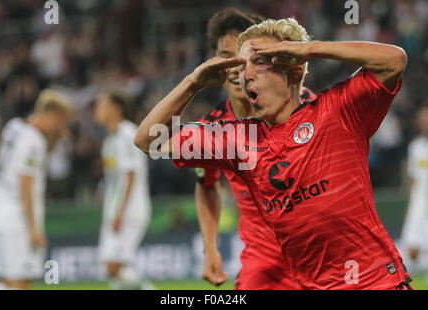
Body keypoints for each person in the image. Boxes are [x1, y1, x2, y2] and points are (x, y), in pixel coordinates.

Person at [134, 18, 411, 289]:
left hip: (378, 283)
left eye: (261, 61)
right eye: (243, 67)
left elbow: (394, 60)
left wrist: (310, 49)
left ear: (293, 68)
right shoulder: (238, 139)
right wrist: (192, 83)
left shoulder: (337, 111)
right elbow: (149, 140)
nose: (245, 75)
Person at [192, 9, 316, 289]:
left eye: (246, 58)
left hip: (315, 251)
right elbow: (205, 184)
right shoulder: (213, 129)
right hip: (263, 261)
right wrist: (210, 249)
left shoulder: (307, 105)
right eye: (227, 57)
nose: (237, 67)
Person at [0, 89, 73, 290]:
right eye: (61, 121)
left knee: (7, 280)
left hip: (0, 208)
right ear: (52, 114)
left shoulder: (14, 127)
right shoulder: (34, 140)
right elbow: (25, 183)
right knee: (20, 282)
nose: (60, 127)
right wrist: (34, 228)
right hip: (18, 218)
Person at [94, 92, 153, 290]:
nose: (97, 109)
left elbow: (131, 175)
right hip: (115, 210)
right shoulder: (108, 141)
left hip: (129, 210)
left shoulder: (127, 134)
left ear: (116, 108)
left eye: (102, 104)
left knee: (114, 266)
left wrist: (121, 212)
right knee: (111, 269)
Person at [401, 104, 428, 273]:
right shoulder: (416, 147)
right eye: (422, 119)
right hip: (418, 205)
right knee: (411, 250)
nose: (424, 122)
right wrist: (409, 207)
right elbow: (412, 179)